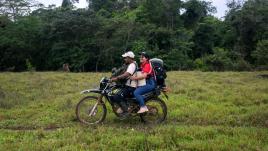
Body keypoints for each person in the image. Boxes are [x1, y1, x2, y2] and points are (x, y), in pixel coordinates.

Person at [111, 51, 138, 116]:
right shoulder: (132, 64)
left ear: (130, 58)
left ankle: (127, 110)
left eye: (126, 58)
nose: (124, 59)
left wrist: (116, 78)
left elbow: (126, 74)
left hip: (131, 87)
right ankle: (125, 107)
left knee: (117, 95)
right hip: (129, 85)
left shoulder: (132, 65)